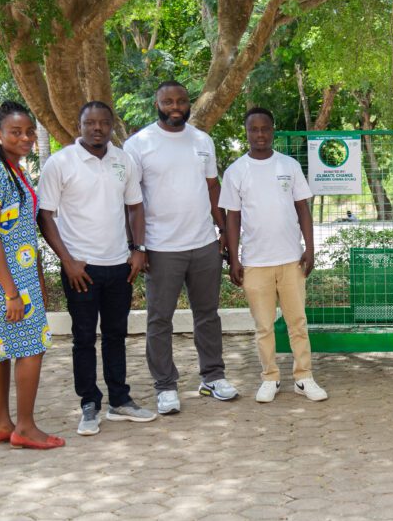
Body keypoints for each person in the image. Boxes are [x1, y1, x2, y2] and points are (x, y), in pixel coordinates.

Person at [38, 101, 157, 436]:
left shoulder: (123, 160)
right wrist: (68, 261)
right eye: (90, 122)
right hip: (82, 269)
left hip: (120, 265)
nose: (97, 128)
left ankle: (120, 400)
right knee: (84, 338)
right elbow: (45, 216)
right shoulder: (61, 162)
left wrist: (138, 250)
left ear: (111, 125)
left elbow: (135, 206)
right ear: (79, 125)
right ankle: (89, 403)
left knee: (116, 335)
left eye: (104, 122)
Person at [123, 80, 238, 414]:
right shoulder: (138, 144)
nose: (176, 107)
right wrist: (137, 246)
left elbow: (213, 188)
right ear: (157, 104)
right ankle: (165, 386)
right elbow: (130, 200)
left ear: (189, 103)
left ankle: (212, 377)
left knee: (208, 315)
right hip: (160, 247)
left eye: (181, 101)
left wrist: (223, 230)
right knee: (160, 320)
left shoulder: (202, 140)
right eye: (168, 101)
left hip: (203, 244)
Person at [0, 101, 63, 449]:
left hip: (11, 274)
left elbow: (21, 230)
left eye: (30, 132)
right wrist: (11, 292)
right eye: (16, 132)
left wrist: (35, 279)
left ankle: (2, 425)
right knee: (31, 347)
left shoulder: (12, 169)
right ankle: (25, 428)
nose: (25, 138)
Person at [219, 107, 328, 403]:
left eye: (265, 128)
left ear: (273, 131)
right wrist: (234, 258)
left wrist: (309, 248)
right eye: (253, 129)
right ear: (246, 133)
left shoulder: (289, 165)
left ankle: (304, 377)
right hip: (255, 262)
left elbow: (302, 208)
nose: (260, 134)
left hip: (291, 259)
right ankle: (270, 377)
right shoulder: (236, 171)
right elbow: (232, 218)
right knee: (264, 326)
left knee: (298, 323)